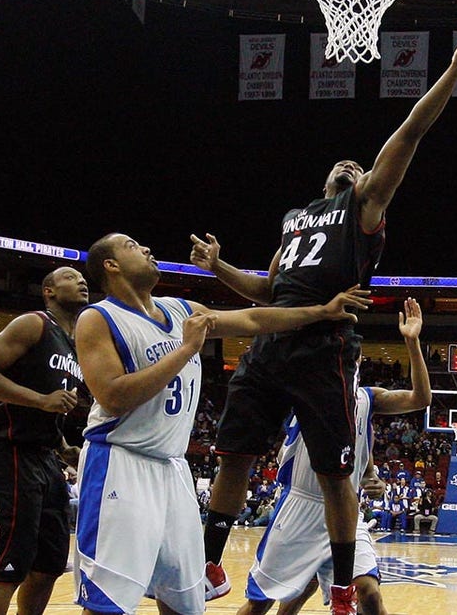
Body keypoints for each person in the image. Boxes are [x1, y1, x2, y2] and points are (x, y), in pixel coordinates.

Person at [193, 12, 457, 614]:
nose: (353, 167)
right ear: (324, 179)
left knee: (334, 474)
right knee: (235, 452)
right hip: (273, 340)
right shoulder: (296, 218)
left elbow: (408, 132)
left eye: (360, 168)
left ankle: (346, 584)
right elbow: (266, 288)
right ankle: (210, 561)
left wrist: (456, 68)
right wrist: (220, 268)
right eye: (345, 166)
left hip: (324, 347)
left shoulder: (364, 210)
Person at [74, 233, 370, 615]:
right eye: (132, 246)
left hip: (173, 469)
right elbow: (113, 397)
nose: (147, 248)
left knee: (184, 599)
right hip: (120, 463)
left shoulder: (181, 310)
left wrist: (320, 312)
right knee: (108, 601)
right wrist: (185, 350)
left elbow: (252, 317)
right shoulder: (98, 318)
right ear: (110, 266)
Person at [237, 298, 430, 615]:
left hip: (346, 508)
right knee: (262, 603)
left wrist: (412, 342)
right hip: (302, 506)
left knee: (369, 595)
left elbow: (420, 399)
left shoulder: (367, 398)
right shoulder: (303, 384)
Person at [0, 267, 88, 615]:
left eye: (82, 278)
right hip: (4, 454)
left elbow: (50, 408)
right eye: (70, 277)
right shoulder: (34, 323)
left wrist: (64, 449)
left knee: (48, 566)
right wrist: (39, 399)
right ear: (49, 290)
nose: (81, 281)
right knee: (7, 569)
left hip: (44, 459)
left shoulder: (73, 345)